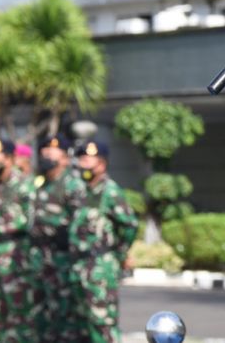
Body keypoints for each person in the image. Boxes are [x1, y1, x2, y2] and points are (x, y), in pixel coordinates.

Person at [69, 140, 138, 343]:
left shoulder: (111, 192)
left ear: (102, 163)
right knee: (80, 324)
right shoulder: (80, 191)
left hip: (100, 267)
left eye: (89, 160)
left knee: (102, 324)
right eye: (82, 160)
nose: (84, 165)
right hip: (78, 266)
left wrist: (119, 253)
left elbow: (129, 225)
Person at [30, 133, 88, 343]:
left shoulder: (73, 185)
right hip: (39, 259)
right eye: (44, 151)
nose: (46, 155)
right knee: (41, 315)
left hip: (62, 260)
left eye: (52, 152)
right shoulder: (39, 184)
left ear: (64, 158)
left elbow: (82, 224)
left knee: (65, 315)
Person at [0, 139, 35, 343]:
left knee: (19, 316)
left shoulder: (22, 184)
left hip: (16, 260)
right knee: (1, 316)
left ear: (10, 158)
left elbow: (26, 220)